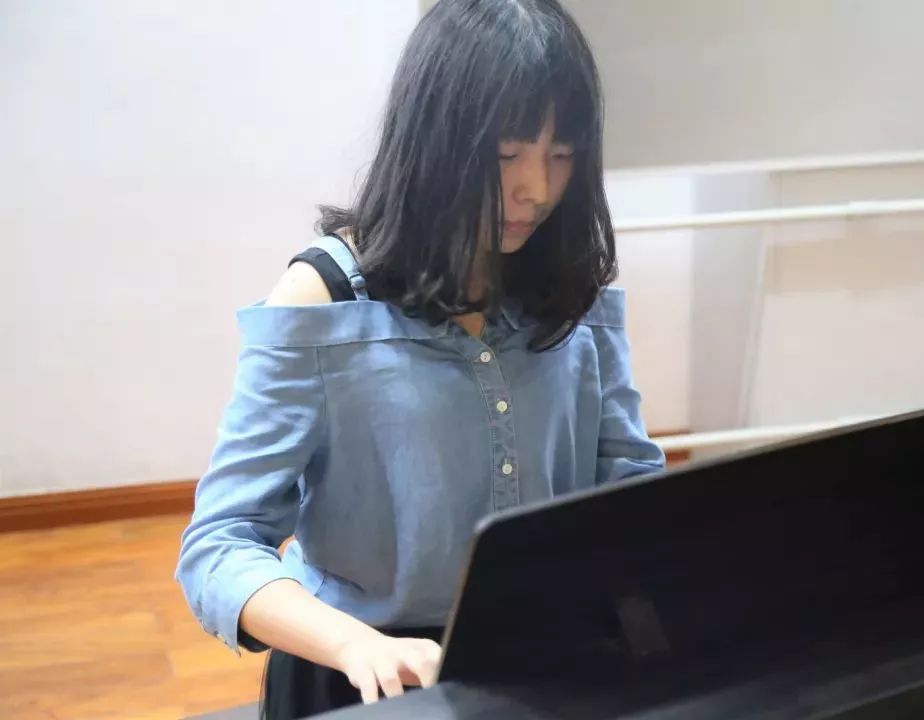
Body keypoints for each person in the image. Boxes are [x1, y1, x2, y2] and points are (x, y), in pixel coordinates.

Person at [174, 1, 666, 717]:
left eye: (562, 156)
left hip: (544, 660)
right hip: (361, 675)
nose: (535, 188)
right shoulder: (325, 298)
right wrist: (354, 644)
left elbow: (629, 484)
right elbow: (219, 545)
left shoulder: (572, 288)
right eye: (507, 155)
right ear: (437, 141)